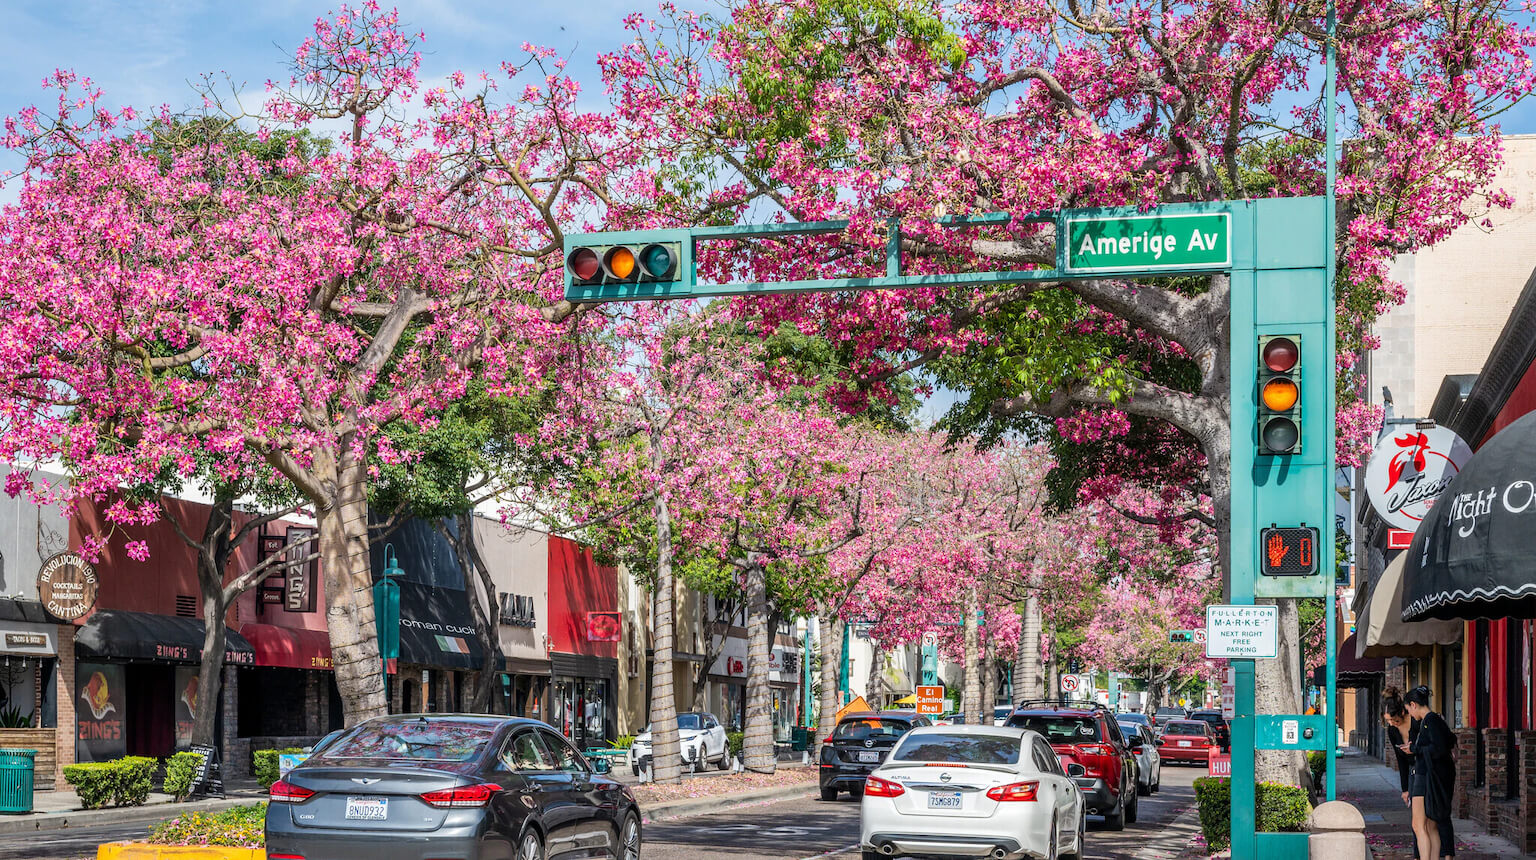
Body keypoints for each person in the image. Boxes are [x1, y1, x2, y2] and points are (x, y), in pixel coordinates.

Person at [1402, 685, 1456, 860]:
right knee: (1430, 826)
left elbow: (1438, 748)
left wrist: (1414, 749)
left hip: (1424, 775)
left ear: (1413, 704)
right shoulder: (1433, 720)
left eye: (1408, 709)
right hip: (1428, 775)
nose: (1409, 714)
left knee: (1419, 825)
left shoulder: (1430, 720)